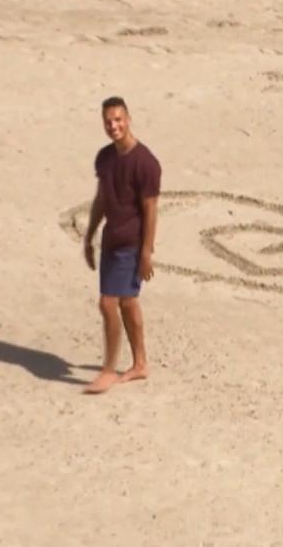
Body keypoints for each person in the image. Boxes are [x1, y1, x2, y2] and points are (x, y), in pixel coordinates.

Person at [82, 96, 161, 394]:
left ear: (128, 119)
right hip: (110, 242)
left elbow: (151, 209)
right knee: (127, 303)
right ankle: (140, 364)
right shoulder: (105, 158)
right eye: (108, 121)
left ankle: (107, 370)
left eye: (118, 120)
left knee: (107, 303)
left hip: (131, 244)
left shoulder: (146, 163)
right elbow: (102, 199)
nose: (113, 126)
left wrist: (146, 252)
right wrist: (89, 236)